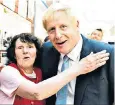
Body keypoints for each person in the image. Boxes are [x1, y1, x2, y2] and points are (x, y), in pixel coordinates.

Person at [0, 33, 109, 105]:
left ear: (37, 52)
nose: (25, 51)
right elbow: (36, 93)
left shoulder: (41, 71)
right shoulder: (8, 72)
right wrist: (78, 68)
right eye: (20, 48)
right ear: (14, 54)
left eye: (30, 47)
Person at [40, 3, 114, 105]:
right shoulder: (46, 51)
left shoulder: (106, 53)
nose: (58, 35)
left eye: (63, 27)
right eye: (52, 29)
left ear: (77, 25)